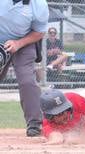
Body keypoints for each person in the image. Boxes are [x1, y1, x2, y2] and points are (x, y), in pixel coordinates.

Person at [0, 0, 49, 137]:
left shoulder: (39, 4)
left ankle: (35, 123)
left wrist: (18, 43)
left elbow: (39, 32)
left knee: (27, 81)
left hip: (24, 41)